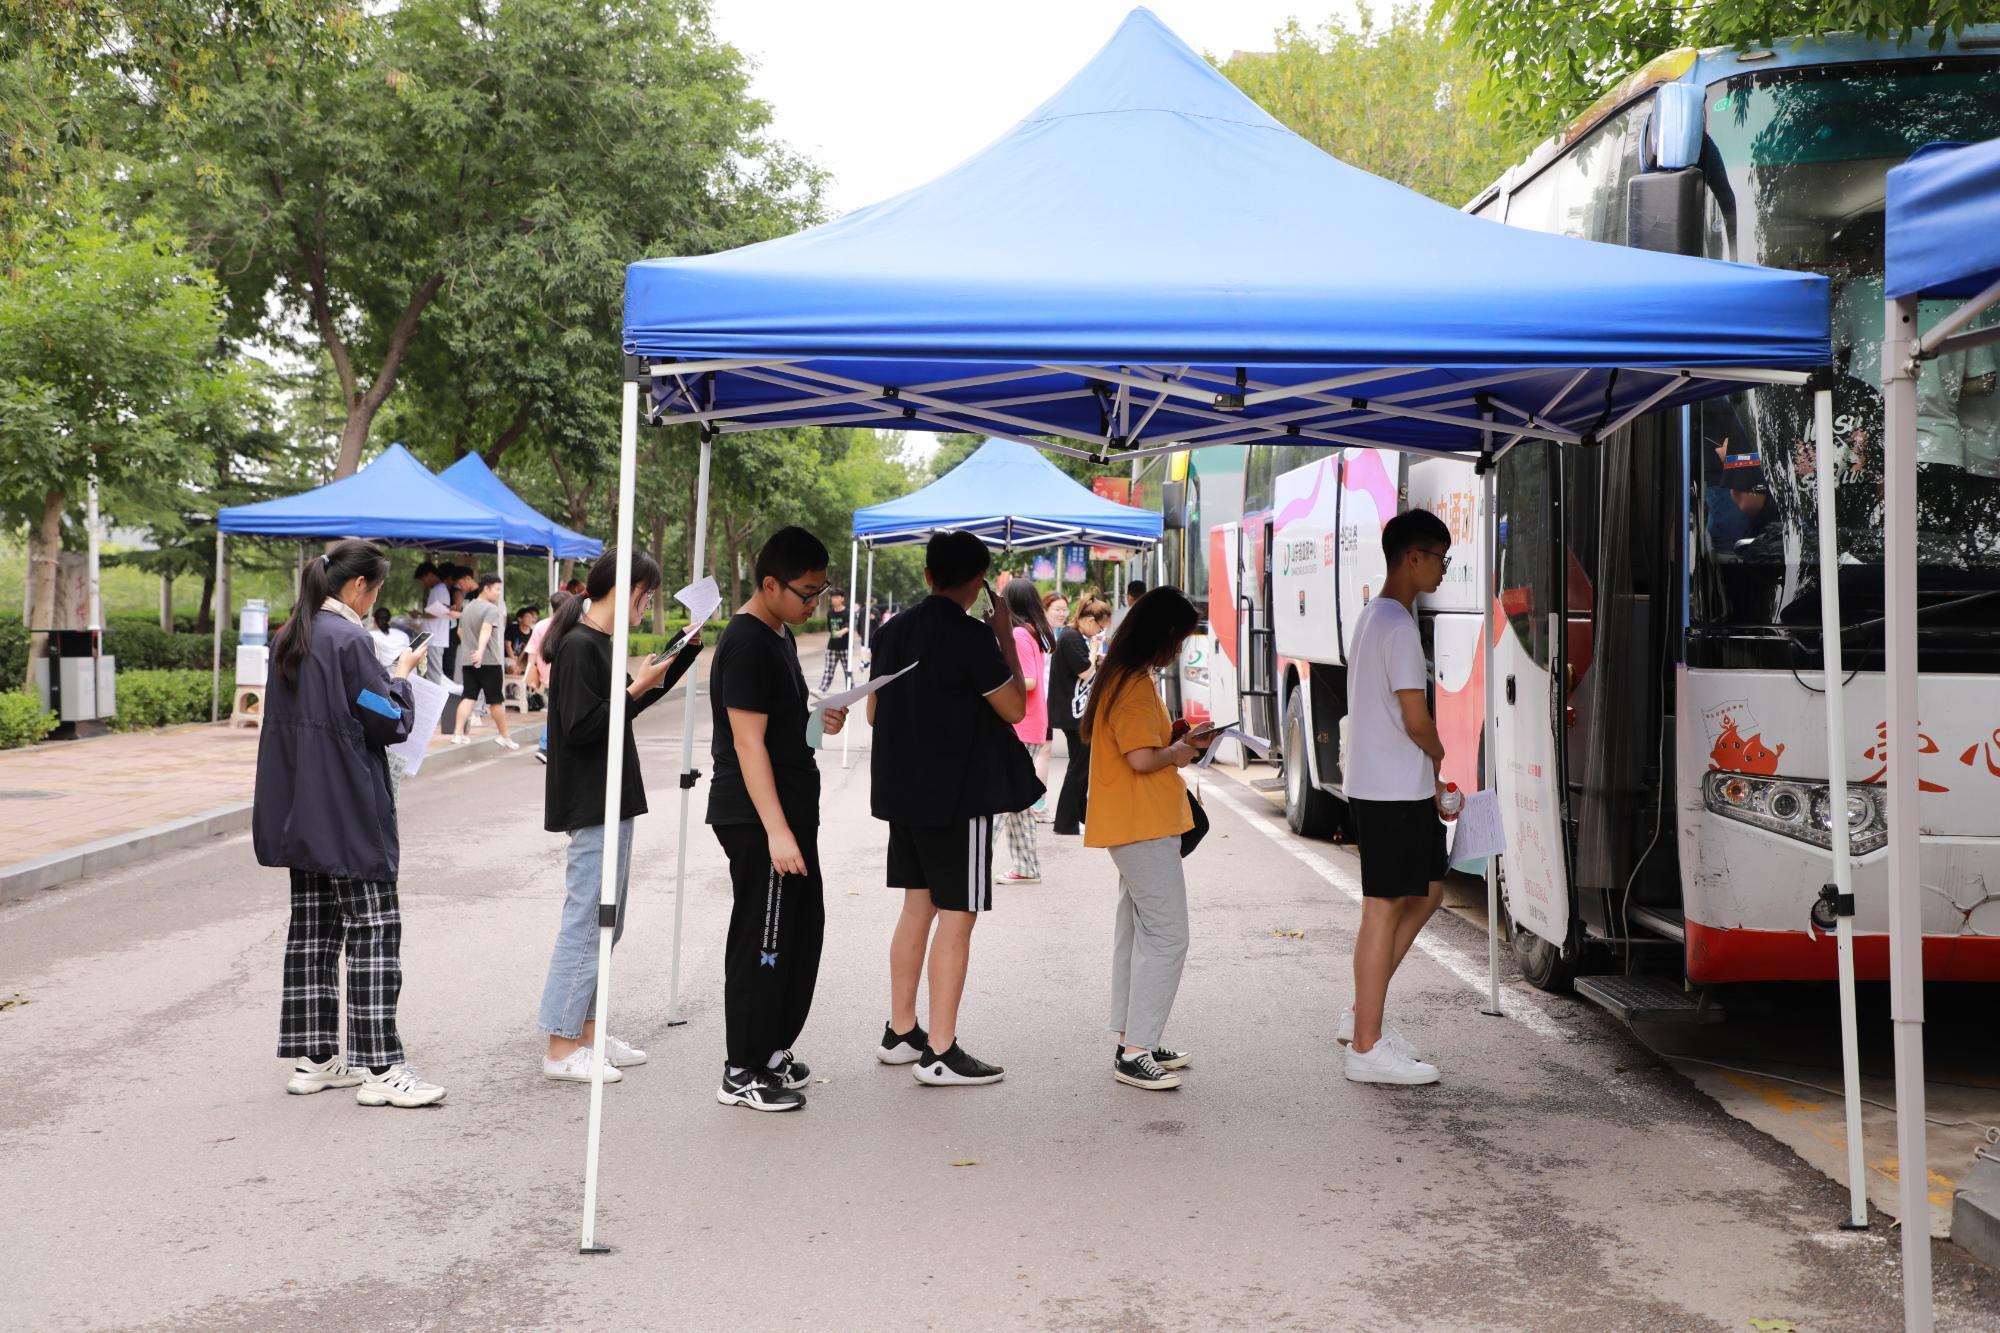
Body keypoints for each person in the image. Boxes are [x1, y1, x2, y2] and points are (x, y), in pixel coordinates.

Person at [254, 540, 443, 1108]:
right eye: (376, 589)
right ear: (359, 586)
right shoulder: (348, 639)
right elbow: (386, 718)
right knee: (374, 930)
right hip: (347, 805)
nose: (374, 599)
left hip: (299, 806)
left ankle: (315, 1058)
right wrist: (402, 677)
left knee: (314, 932)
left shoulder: (290, 635)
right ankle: (381, 1066)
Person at [867, 531, 1040, 1086]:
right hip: (957, 797)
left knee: (916, 909)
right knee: (958, 916)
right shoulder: (971, 636)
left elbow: (873, 713)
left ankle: (901, 1031)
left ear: (927, 575)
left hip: (903, 793)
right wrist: (1003, 635)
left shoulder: (890, 631)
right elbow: (1013, 708)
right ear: (979, 582)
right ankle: (940, 1050)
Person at [536, 549, 702, 1083]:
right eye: (647, 595)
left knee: (606, 923)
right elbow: (582, 728)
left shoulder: (598, 642)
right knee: (588, 922)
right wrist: (636, 686)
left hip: (610, 798)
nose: (648, 604)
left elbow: (623, 710)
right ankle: (561, 1047)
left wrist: (677, 660)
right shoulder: (579, 645)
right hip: (594, 801)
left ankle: (586, 1034)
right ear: (627, 589)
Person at [707, 528, 848, 1112]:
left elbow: (782, 725)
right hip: (758, 818)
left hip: (787, 811)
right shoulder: (746, 642)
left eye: (821, 591)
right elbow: (747, 743)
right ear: (770, 584)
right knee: (761, 939)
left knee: (797, 933)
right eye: (806, 592)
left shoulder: (779, 634)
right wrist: (777, 832)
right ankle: (740, 1069)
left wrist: (819, 720)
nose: (815, 603)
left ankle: (768, 1049)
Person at [1341, 509, 1454, 1087]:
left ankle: (1363, 1013)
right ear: (1413, 557)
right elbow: (1415, 718)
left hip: (1387, 784)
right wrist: (1440, 755)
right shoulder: (1400, 628)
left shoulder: (1372, 616)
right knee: (1384, 906)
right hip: (1390, 788)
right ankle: (1365, 1045)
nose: (1444, 569)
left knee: (1429, 891)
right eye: (1440, 558)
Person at [1082, 588, 1211, 1091]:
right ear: (1161, 634)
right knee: (1167, 935)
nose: (1178, 649)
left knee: (1137, 934)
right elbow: (1141, 759)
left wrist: (1175, 740)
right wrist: (1179, 751)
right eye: (1177, 639)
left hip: (1130, 822)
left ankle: (1133, 1039)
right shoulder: (1134, 683)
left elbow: (1136, 747)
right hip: (1144, 824)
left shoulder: (1120, 675)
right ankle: (1136, 1052)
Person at [999, 579, 1055, 883]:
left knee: (998, 798)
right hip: (1031, 723)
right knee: (1018, 800)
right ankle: (1026, 867)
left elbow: (1028, 680)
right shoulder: (1033, 632)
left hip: (1020, 724)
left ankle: (973, 864)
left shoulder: (1020, 634)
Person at [1049, 598, 1110, 836]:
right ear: (1089, 620)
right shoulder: (1072, 638)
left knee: (1080, 766)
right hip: (1074, 714)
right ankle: (1066, 823)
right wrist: (1094, 651)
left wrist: (1094, 658)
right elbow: (1085, 671)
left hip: (1075, 712)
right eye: (1100, 627)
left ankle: (1079, 818)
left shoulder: (1072, 637)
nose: (1099, 632)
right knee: (1079, 768)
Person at [448, 574, 518, 750]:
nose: (499, 593)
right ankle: (505, 736)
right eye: (497, 589)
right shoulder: (491, 609)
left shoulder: (468, 607)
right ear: (486, 588)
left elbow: (460, 632)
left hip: (468, 661)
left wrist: (471, 649)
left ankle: (458, 734)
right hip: (489, 661)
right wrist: (479, 651)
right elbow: (486, 630)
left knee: (468, 696)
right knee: (495, 700)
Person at [524, 590, 567, 765]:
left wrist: (530, 676)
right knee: (559, 713)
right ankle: (544, 747)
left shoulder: (540, 626)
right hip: (565, 675)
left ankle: (552, 748)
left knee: (557, 712)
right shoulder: (568, 626)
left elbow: (531, 653)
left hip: (547, 677)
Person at [415, 561, 455, 680]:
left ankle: (435, 693)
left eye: (423, 579)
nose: (424, 583)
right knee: (427, 672)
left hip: (434, 638)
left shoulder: (439, 590)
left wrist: (419, 615)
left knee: (433, 676)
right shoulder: (439, 589)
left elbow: (436, 613)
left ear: (430, 574)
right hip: (432, 638)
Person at [818, 589, 852, 692]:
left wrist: (841, 632)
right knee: (828, 669)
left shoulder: (847, 613)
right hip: (832, 646)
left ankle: (851, 689)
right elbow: (830, 629)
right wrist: (835, 633)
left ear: (842, 598)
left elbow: (849, 626)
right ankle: (822, 689)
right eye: (833, 597)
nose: (835, 599)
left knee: (848, 670)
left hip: (845, 647)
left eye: (837, 597)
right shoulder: (830, 613)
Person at [507, 604, 539, 669]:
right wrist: (513, 659)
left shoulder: (533, 632)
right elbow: (507, 645)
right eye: (527, 617)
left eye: (531, 617)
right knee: (514, 669)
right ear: (520, 619)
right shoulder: (511, 628)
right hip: (510, 658)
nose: (530, 619)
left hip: (524, 660)